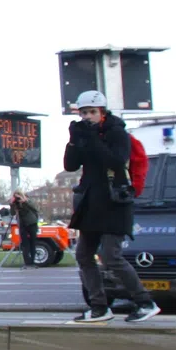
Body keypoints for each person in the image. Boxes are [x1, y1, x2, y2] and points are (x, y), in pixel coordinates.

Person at [66, 90, 159, 324]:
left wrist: (92, 139)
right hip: (92, 201)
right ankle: (99, 306)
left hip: (114, 201)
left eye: (92, 112)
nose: (87, 117)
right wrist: (74, 141)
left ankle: (145, 302)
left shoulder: (117, 133)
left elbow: (116, 162)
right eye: (83, 112)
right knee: (84, 255)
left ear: (102, 112)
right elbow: (70, 165)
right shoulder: (85, 134)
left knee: (111, 255)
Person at [10, 191, 41, 268]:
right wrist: (12, 204)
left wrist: (25, 202)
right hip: (22, 224)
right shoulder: (15, 203)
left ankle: (33, 261)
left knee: (33, 243)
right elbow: (12, 213)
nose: (18, 198)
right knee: (24, 244)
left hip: (32, 223)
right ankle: (27, 262)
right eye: (16, 197)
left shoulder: (28, 201)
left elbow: (36, 209)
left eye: (18, 196)